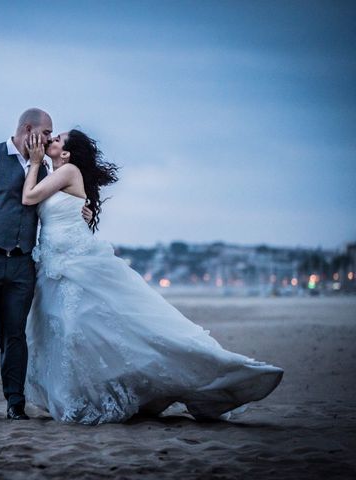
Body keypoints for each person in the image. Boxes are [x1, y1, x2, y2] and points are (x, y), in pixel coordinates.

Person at [21, 129, 284, 425]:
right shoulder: (55, 173)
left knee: (92, 328)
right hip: (55, 265)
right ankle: (81, 394)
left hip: (76, 263)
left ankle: (208, 371)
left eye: (57, 139)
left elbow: (29, 197)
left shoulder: (66, 170)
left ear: (66, 153)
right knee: (70, 333)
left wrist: (32, 163)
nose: (51, 140)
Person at [0, 109, 91, 422]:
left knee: (15, 334)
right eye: (46, 133)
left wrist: (85, 211)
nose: (48, 139)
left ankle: (15, 404)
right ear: (28, 128)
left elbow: (67, 199)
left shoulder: (43, 168)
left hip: (22, 263)